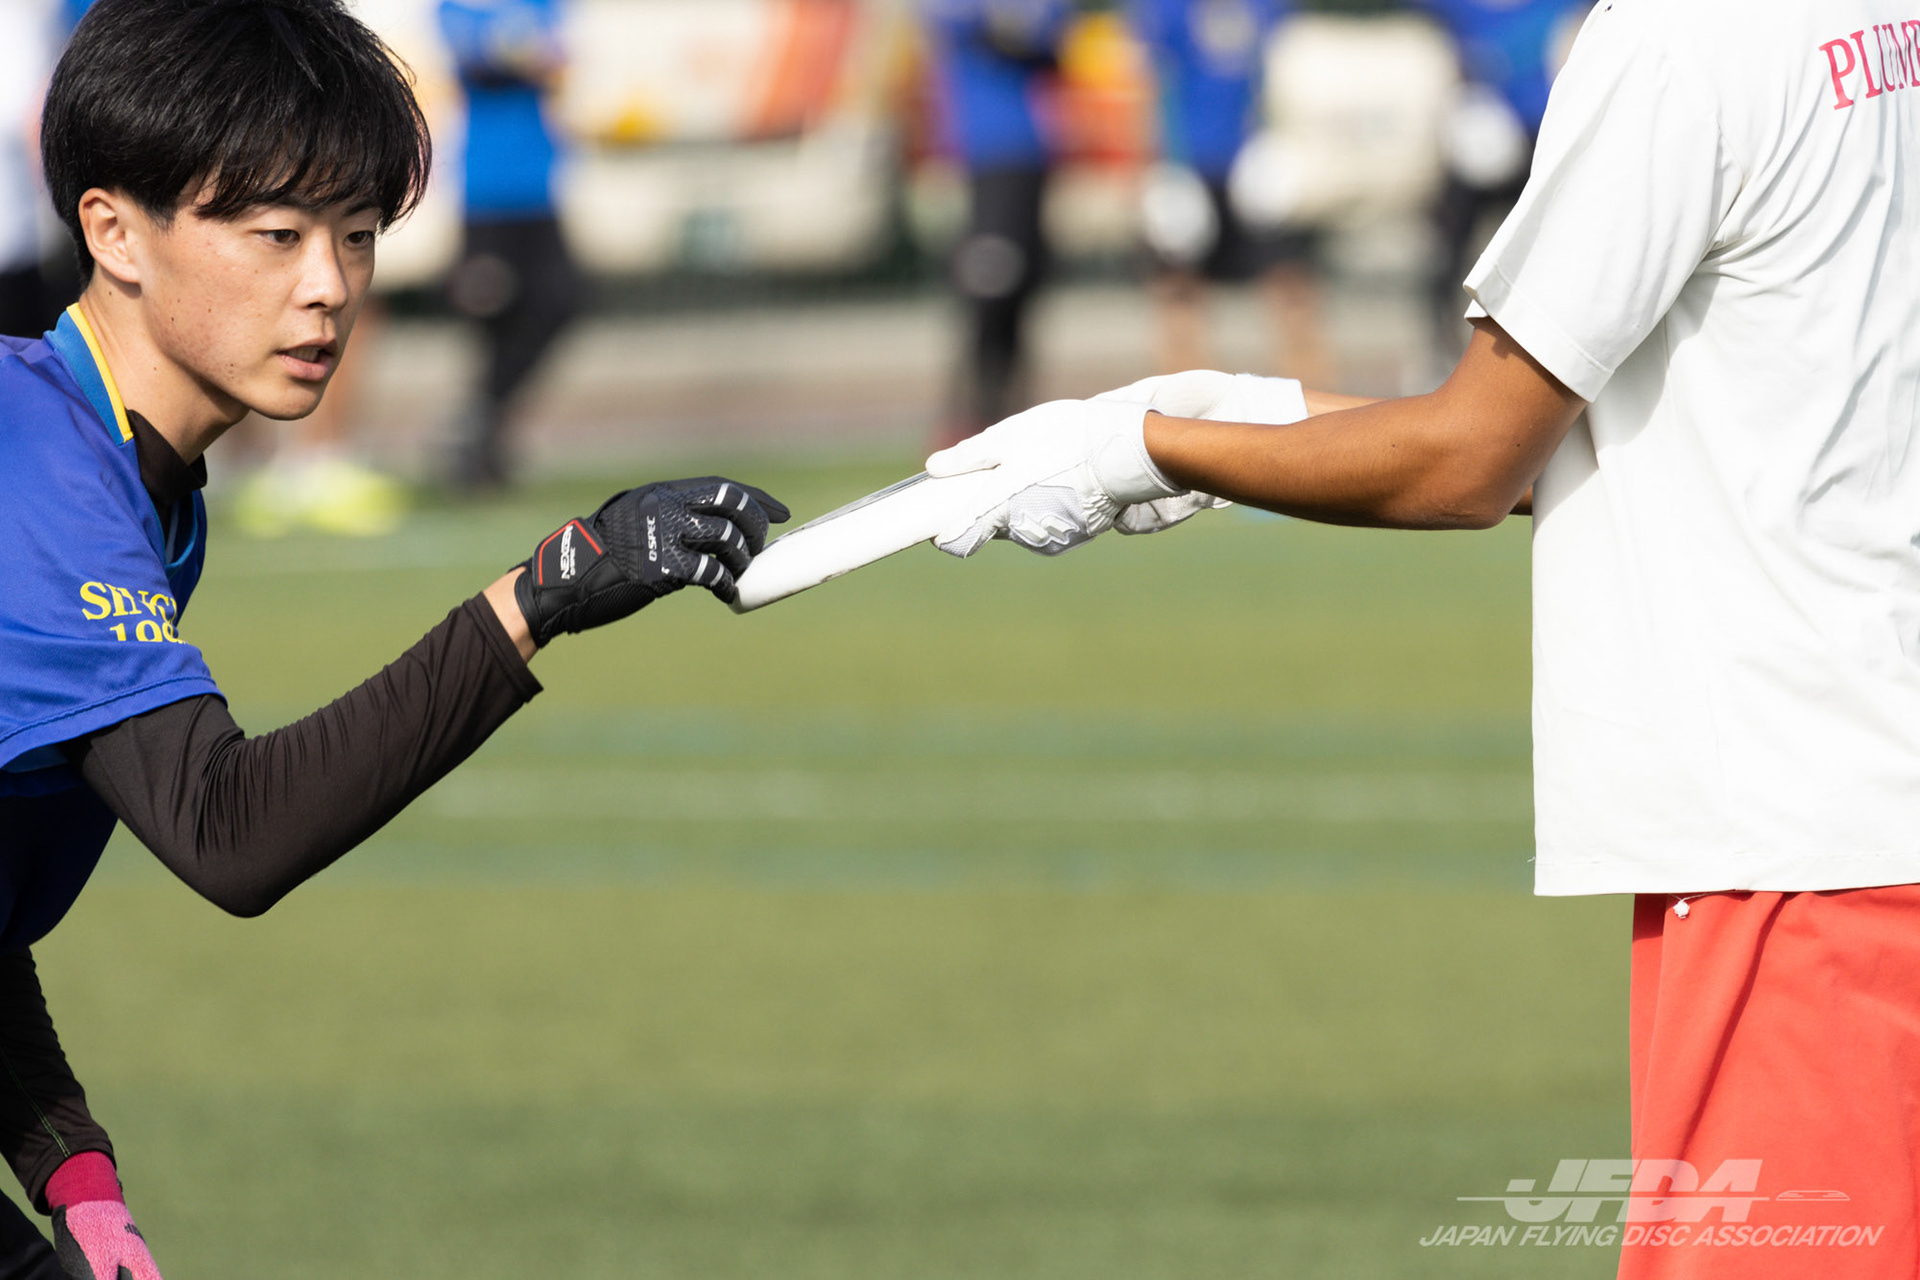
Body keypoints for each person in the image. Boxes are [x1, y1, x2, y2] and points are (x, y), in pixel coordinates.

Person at [917, 1, 1920, 1276]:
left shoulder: (1681, 42)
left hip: (1796, 845)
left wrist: (1136, 451)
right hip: (1857, 800)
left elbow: (1475, 458)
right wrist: (1244, 416)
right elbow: (1618, 438)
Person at [1, 1, 785, 1275]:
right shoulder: (37, 458)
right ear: (113, 231)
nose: (328, 285)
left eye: (357, 235)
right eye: (276, 234)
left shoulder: (143, 488)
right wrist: (543, 593)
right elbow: (231, 829)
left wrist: (77, 1177)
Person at [1129, 0, 1330, 386]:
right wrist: (1155, 169)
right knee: (1179, 292)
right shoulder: (1165, 8)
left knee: (1291, 285)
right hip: (1187, 165)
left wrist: (1284, 143)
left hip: (1252, 164)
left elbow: (1286, 71)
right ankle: (1189, 409)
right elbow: (1149, 84)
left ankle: (1316, 405)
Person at [438, 0, 584, 490]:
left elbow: (558, 58)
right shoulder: (459, 6)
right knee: (491, 312)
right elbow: (479, 56)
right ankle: (482, 444)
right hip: (484, 191)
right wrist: (523, 53)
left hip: (538, 185)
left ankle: (481, 419)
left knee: (560, 301)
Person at [922, 0, 1070, 441]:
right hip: (987, 158)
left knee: (1022, 288)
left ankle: (1014, 415)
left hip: (1031, 156)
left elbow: (1051, 45)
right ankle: (969, 416)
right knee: (987, 287)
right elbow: (981, 30)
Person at [1414, 0, 1590, 359]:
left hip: (1541, 143)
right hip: (1478, 140)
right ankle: (1441, 344)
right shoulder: (1460, 9)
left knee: (1549, 251)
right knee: (1447, 248)